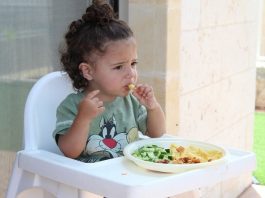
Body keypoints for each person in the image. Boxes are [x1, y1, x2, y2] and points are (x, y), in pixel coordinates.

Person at [53, 0, 166, 163]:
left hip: (127, 174)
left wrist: (153, 107)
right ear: (88, 71)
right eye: (119, 67)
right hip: (92, 181)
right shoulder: (73, 106)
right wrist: (83, 118)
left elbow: (157, 133)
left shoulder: (131, 101)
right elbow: (70, 151)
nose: (131, 74)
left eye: (133, 64)